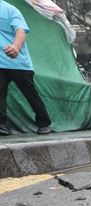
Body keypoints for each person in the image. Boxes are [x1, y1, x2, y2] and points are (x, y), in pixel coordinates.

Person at [0, 1, 52, 135]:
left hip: (19, 63)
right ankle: (2, 125)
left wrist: (16, 46)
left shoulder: (10, 10)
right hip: (0, 64)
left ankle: (44, 123)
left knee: (30, 94)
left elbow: (21, 30)